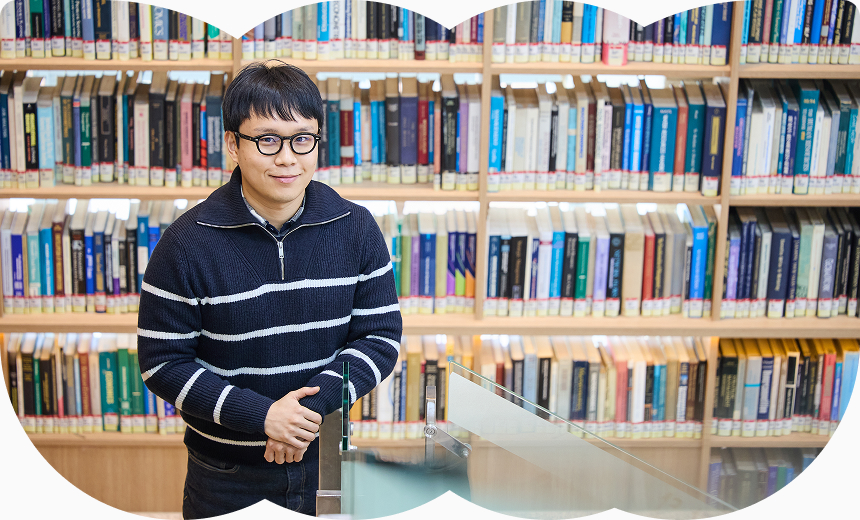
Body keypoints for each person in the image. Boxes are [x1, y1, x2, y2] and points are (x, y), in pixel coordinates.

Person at [137, 61, 402, 519]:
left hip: (326, 460)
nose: (287, 158)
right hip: (225, 473)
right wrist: (262, 417)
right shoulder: (185, 243)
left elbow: (379, 339)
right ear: (232, 145)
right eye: (267, 140)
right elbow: (162, 363)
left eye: (302, 138)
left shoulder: (356, 227)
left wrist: (306, 412)